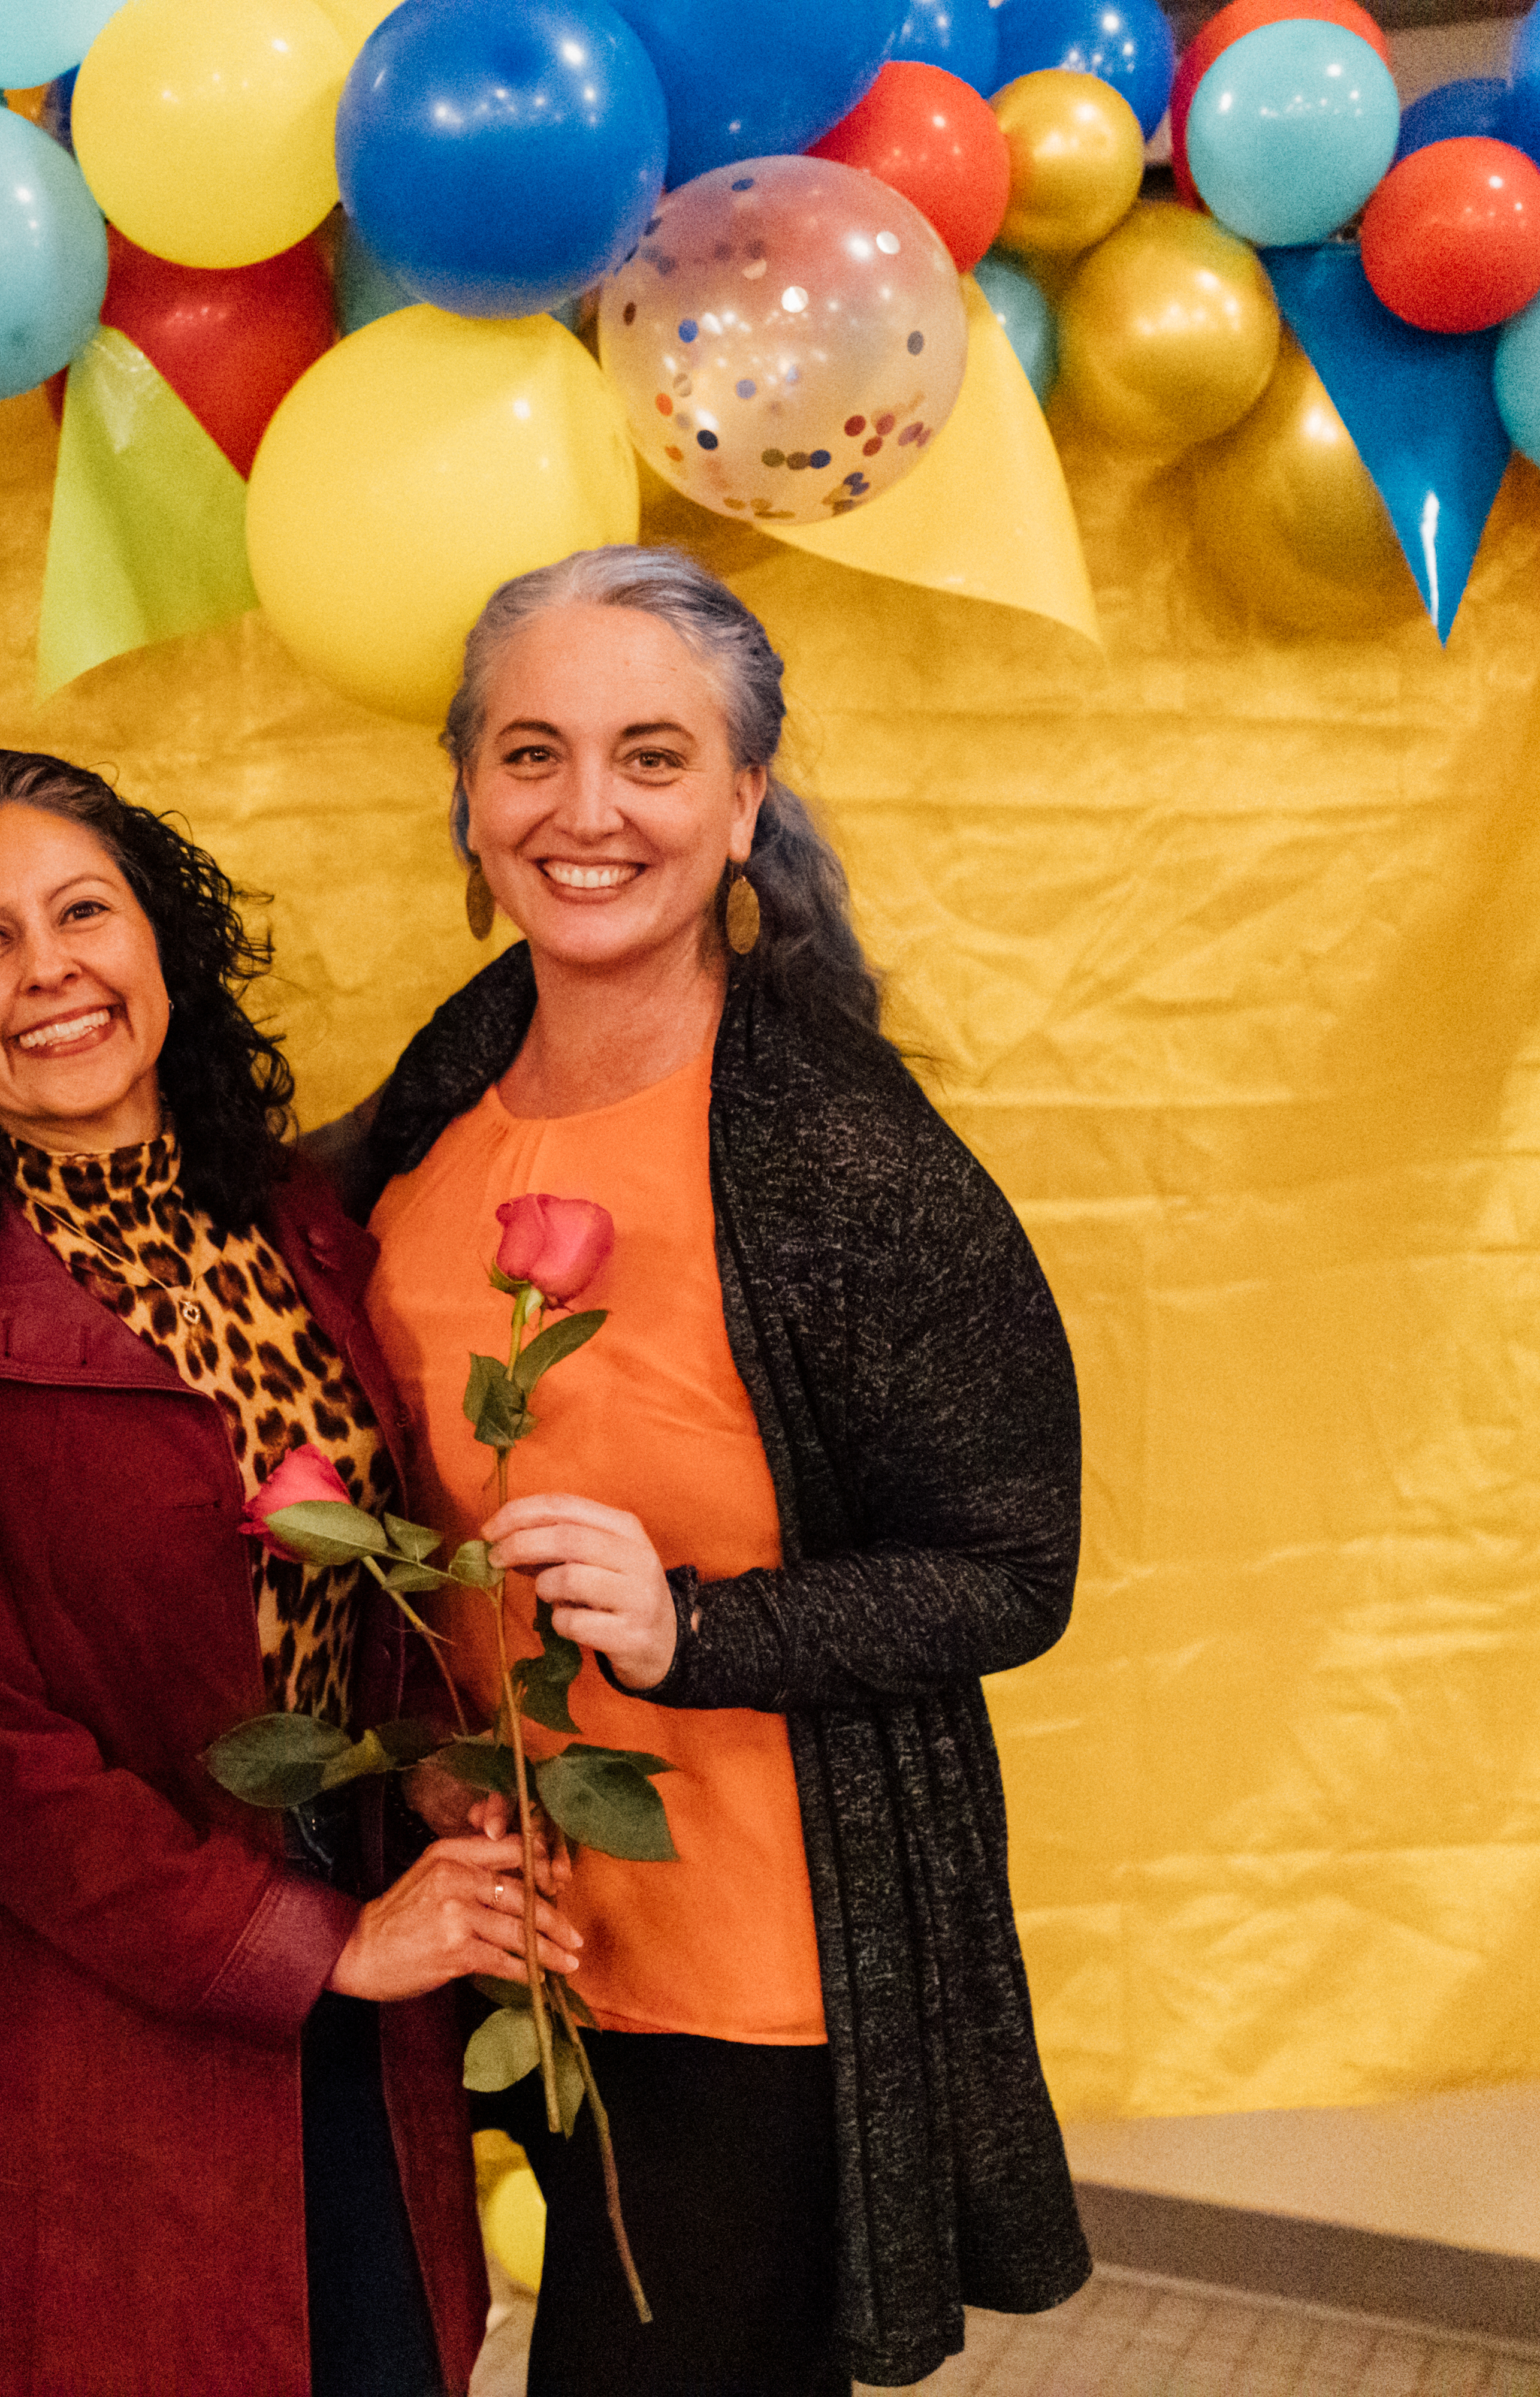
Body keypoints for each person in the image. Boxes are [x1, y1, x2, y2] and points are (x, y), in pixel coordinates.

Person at [345, 547, 1092, 2393]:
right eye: (531, 754)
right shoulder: (455, 1075)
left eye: (652, 757)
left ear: (746, 800)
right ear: (467, 791)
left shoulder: (837, 1150)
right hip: (508, 1926)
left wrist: (697, 1633)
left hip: (753, 1974)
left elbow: (1013, 1567)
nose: (584, 812)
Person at [0, 750, 546, 2397]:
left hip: (369, 1931)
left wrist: (444, 1775)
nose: (52, 972)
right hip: (111, 1994)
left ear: (161, 941)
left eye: (84, 910)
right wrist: (312, 1950)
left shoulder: (295, 1219)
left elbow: (369, 1578)